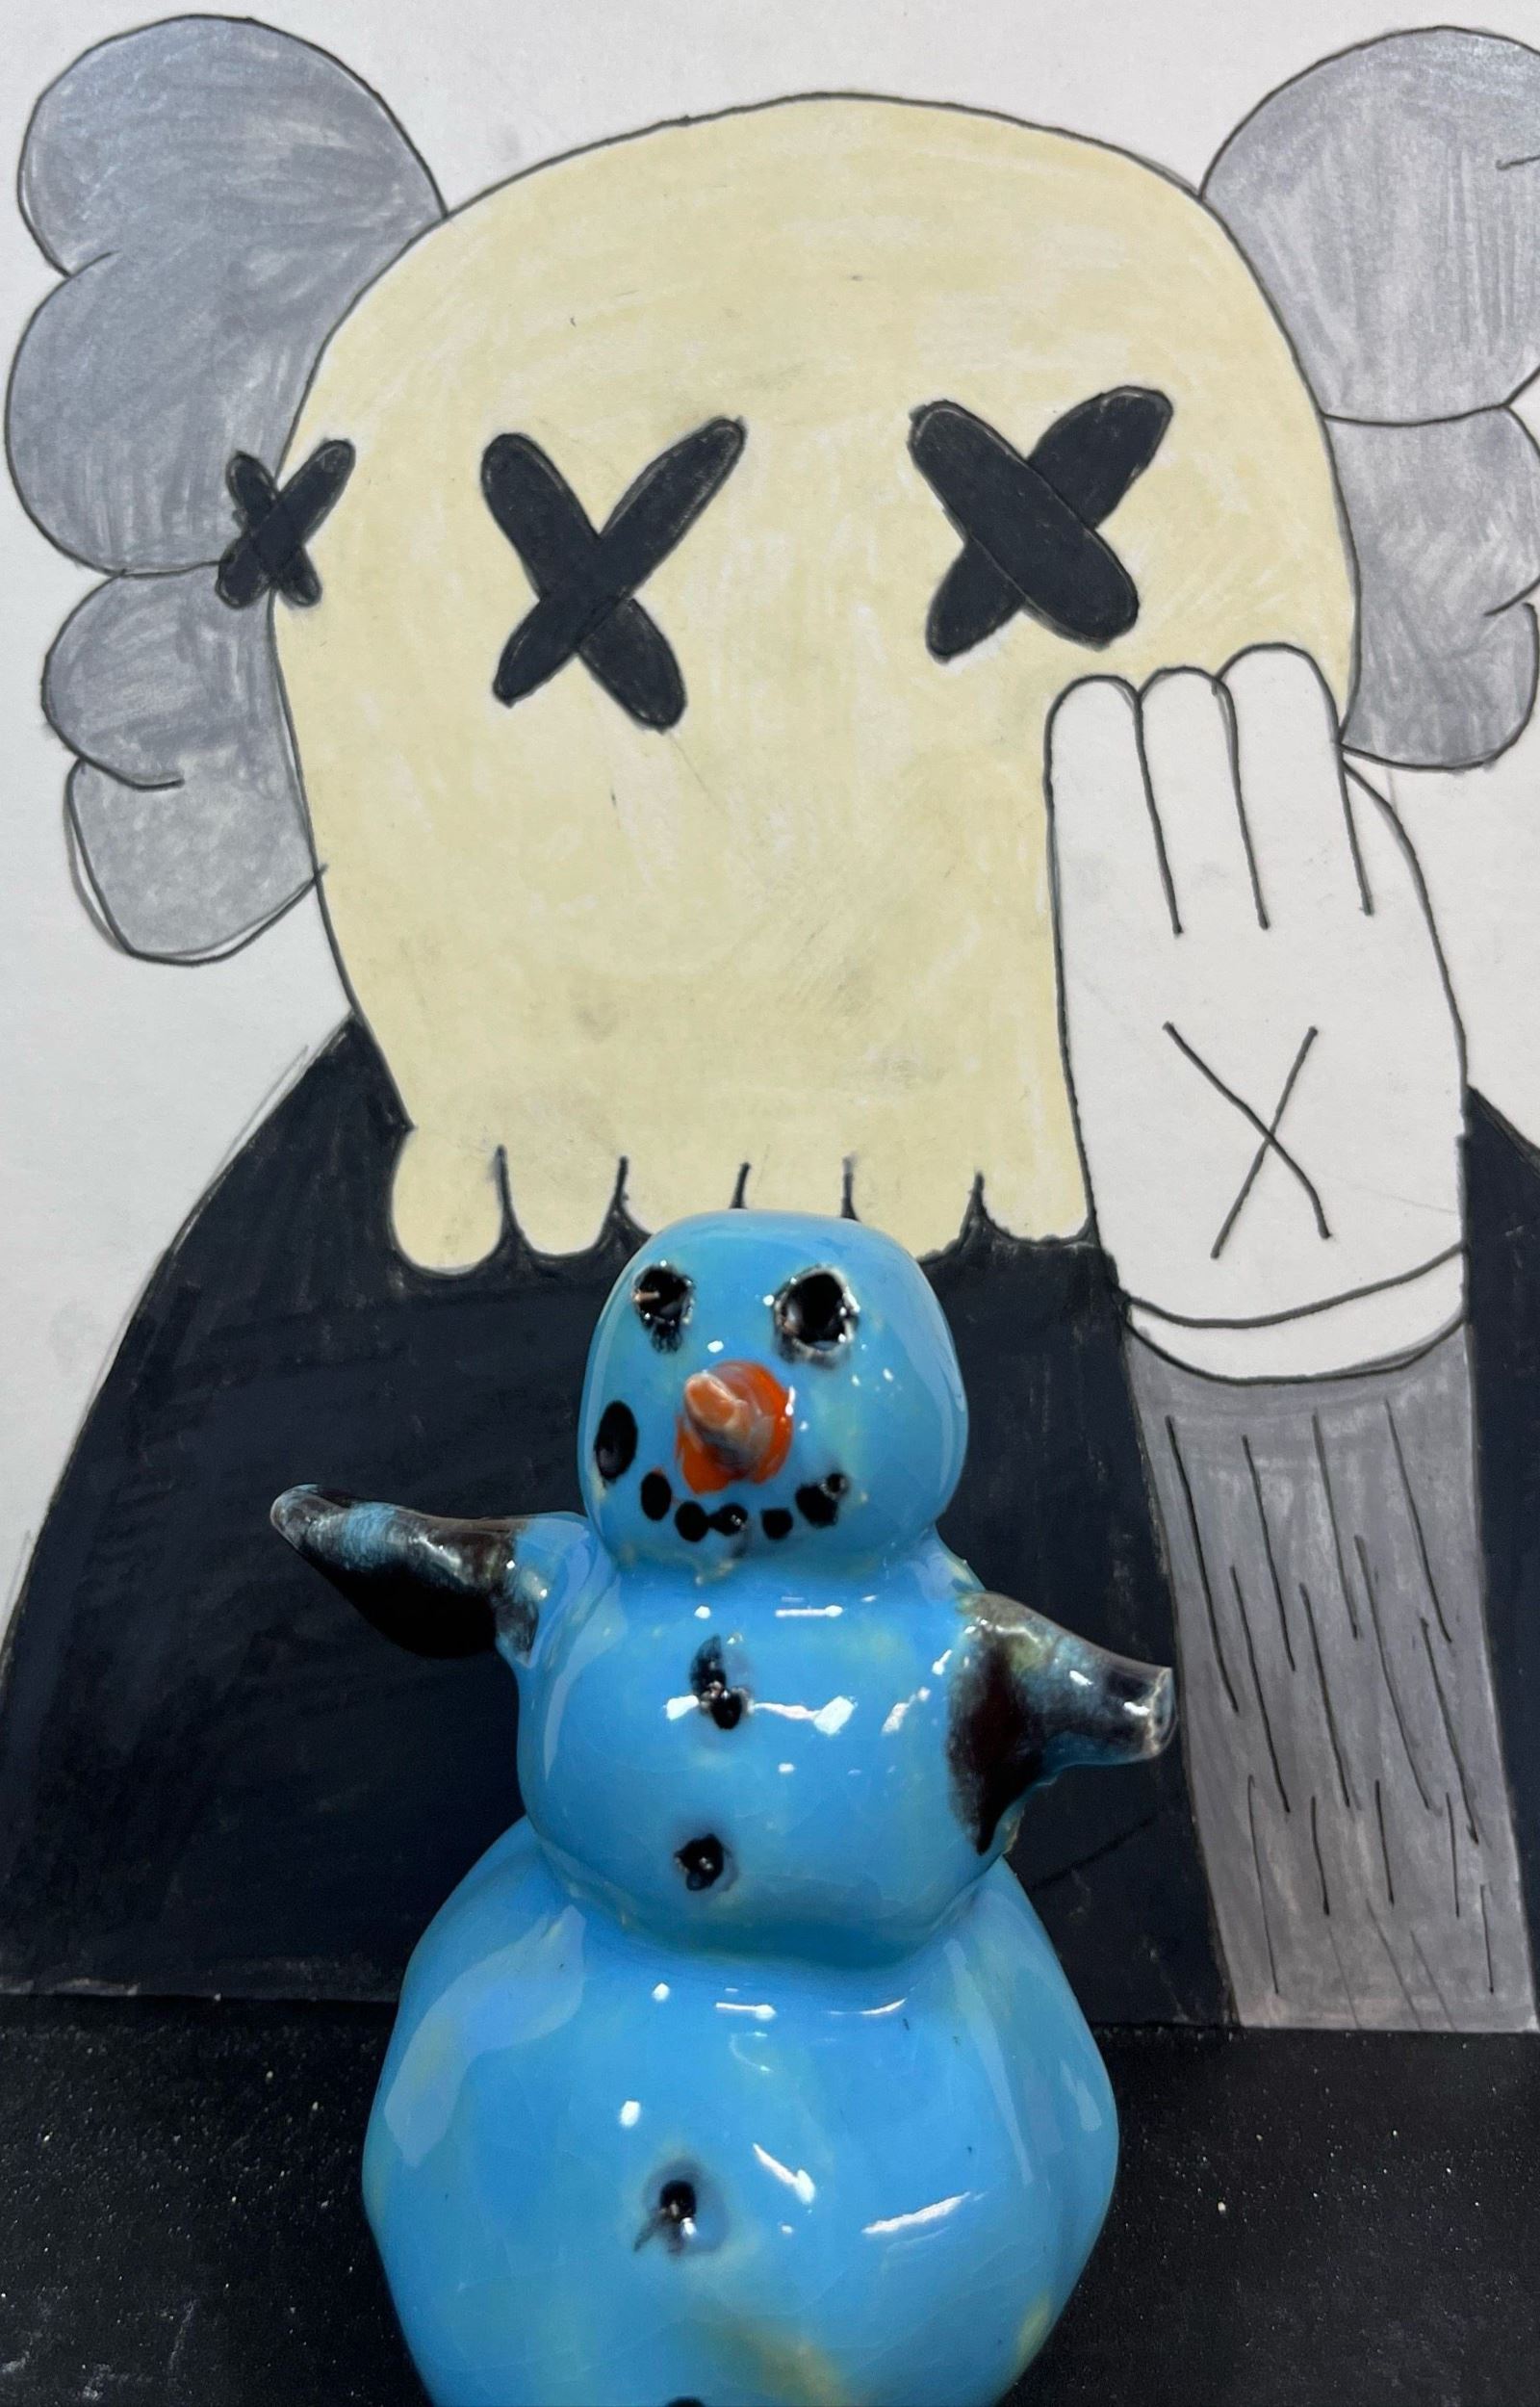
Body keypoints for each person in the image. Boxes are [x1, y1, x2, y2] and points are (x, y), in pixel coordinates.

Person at [3, 18, 1537, 2028]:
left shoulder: (1343, 1173)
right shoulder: (298, 1321)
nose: (811, 760)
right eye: (586, 603)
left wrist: (1315, 1363)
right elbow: (97, 1973)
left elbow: (1436, 2051)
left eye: (1016, 578)